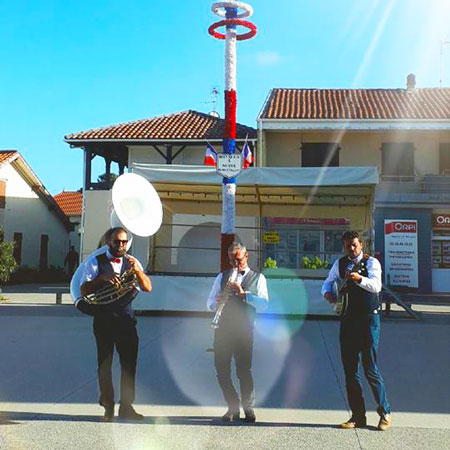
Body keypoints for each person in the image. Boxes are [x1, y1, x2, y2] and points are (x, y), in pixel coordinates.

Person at [77, 227, 152, 422]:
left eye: (124, 242)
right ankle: (108, 407)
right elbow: (83, 290)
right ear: (108, 241)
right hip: (103, 321)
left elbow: (147, 287)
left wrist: (137, 271)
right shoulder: (95, 262)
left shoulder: (132, 262)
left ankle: (127, 407)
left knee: (129, 365)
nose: (121, 245)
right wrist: (101, 279)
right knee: (105, 365)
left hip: (126, 321)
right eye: (117, 242)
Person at [321, 230, 392, 431]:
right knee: (350, 370)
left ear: (361, 244)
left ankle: (385, 412)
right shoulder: (340, 263)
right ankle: (357, 416)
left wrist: (358, 278)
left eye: (354, 245)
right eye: (347, 245)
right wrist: (326, 291)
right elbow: (328, 280)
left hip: (369, 319)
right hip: (348, 319)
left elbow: (376, 286)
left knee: (370, 368)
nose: (351, 249)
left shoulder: (371, 263)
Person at [207, 242, 269, 423]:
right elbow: (209, 302)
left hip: (244, 330)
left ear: (246, 257)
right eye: (232, 260)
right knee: (221, 370)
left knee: (243, 371)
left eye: (238, 260)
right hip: (223, 329)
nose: (235, 264)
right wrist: (216, 302)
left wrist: (245, 295)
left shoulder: (258, 278)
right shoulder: (222, 276)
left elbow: (264, 305)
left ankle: (248, 409)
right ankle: (232, 407)